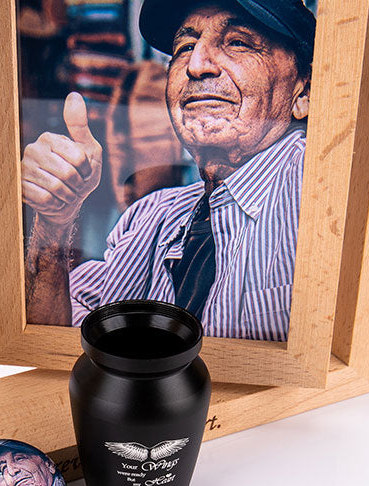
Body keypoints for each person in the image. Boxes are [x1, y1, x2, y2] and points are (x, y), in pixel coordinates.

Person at [22, 0, 316, 341]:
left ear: (303, 92)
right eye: (184, 47)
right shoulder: (149, 218)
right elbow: (52, 343)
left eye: (238, 42)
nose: (196, 65)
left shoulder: (316, 196)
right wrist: (54, 222)